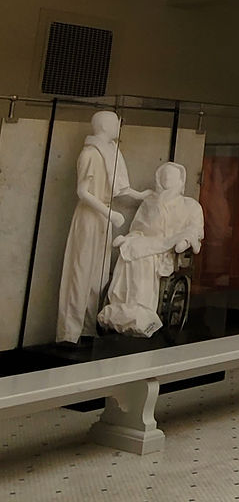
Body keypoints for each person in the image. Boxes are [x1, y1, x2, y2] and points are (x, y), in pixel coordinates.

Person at [56, 112, 148, 344]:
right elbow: (82, 192)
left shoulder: (111, 152)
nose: (119, 126)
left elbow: (120, 187)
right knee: (80, 273)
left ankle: (87, 328)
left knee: (98, 275)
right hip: (90, 217)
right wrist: (110, 214)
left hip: (104, 219)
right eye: (116, 122)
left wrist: (141, 196)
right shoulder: (89, 154)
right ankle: (69, 333)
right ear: (106, 126)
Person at [98, 163, 204, 338]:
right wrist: (130, 238)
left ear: (180, 180)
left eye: (171, 176)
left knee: (146, 258)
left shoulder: (190, 205)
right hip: (146, 240)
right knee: (129, 252)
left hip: (167, 248)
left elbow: (195, 230)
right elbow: (138, 227)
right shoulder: (149, 202)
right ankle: (122, 306)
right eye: (164, 175)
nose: (167, 179)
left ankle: (141, 308)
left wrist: (184, 241)